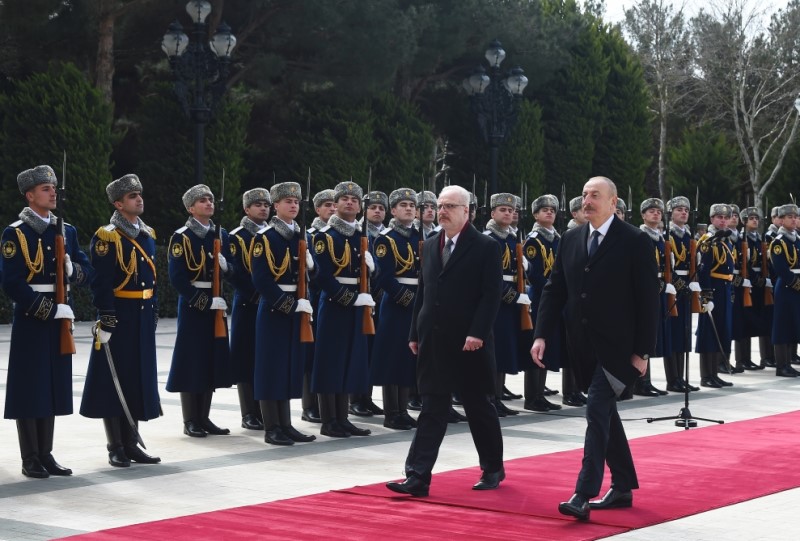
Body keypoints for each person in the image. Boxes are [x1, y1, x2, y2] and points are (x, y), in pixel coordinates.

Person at [530, 176, 659, 521]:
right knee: (605, 414)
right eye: (585, 194)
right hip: (583, 346)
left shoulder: (634, 240)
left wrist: (643, 352)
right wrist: (541, 334)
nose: (587, 201)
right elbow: (555, 289)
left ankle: (583, 493)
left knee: (596, 410)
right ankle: (623, 485)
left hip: (619, 348)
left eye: (595, 195)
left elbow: (648, 300)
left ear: (613, 203)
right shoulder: (571, 239)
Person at [386, 185, 504, 497]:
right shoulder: (430, 245)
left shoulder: (486, 246)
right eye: (440, 205)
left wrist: (478, 332)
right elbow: (424, 292)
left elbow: (491, 295)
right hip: (434, 339)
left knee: (478, 406)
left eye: (450, 206)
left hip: (470, 341)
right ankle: (417, 476)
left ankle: (492, 467)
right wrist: (415, 333)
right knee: (432, 407)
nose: (442, 211)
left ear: (467, 211)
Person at [3, 165, 94, 478]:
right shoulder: (16, 233)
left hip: (61, 316)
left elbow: (86, 270)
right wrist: (47, 309)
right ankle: (30, 457)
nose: (53, 192)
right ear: (30, 196)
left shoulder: (66, 231)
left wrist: (73, 271)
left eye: (54, 187)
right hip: (33, 318)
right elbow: (12, 282)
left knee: (51, 385)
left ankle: (46, 453)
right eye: (45, 188)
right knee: (30, 386)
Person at [80, 174, 161, 468]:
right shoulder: (107, 236)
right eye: (131, 196)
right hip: (120, 315)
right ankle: (115, 445)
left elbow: (152, 280)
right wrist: (107, 314)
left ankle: (131, 443)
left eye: (139, 194)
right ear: (118, 204)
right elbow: (100, 281)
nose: (139, 199)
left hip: (142, 314)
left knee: (136, 378)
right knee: (113, 380)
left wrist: (153, 309)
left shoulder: (147, 234)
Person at [251, 181, 317, 445]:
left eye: (296, 202)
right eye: (288, 201)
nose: (293, 205)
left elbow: (314, 275)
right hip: (275, 310)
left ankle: (286, 424)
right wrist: (288, 305)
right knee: (271, 368)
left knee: (290, 366)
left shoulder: (302, 236)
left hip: (298, 306)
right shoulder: (265, 238)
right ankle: (272, 427)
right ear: (276, 205)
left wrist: (312, 267)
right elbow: (261, 279)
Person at [166, 184, 234, 437]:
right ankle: (190, 420)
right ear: (190, 208)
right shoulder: (182, 237)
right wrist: (203, 302)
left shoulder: (221, 234)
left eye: (210, 199)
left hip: (216, 302)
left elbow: (234, 269)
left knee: (210, 360)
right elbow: (177, 278)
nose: (209, 203)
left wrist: (226, 268)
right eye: (202, 200)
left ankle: (204, 417)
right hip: (194, 305)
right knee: (192, 360)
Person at [310, 181, 375, 438]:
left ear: (360, 207)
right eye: (344, 199)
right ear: (335, 205)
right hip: (335, 305)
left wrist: (374, 269)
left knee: (350, 360)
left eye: (354, 200)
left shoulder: (362, 236)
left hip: (358, 304)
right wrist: (349, 298)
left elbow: (369, 272)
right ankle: (329, 420)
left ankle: (343, 418)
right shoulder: (325, 236)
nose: (350, 202)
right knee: (330, 362)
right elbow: (322, 276)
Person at [370, 188, 421, 430]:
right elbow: (384, 277)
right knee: (392, 358)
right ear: (393, 210)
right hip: (397, 304)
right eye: (403, 205)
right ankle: (392, 412)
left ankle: (403, 410)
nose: (409, 209)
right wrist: (409, 299)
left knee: (408, 358)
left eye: (412, 205)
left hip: (417, 302)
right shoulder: (386, 239)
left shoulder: (419, 237)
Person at [228, 188, 271, 431]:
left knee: (264, 357)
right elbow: (235, 273)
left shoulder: (272, 234)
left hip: (268, 303)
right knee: (245, 357)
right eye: (258, 205)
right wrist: (257, 294)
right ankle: (249, 413)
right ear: (246, 209)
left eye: (266, 205)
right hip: (248, 303)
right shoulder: (238, 237)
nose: (263, 208)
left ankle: (264, 410)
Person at [484, 192, 530, 416]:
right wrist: (512, 296)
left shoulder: (512, 239)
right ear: (493, 213)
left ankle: (498, 397)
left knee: (504, 351)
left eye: (511, 211)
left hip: (510, 302)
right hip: (495, 302)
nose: (508, 213)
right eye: (503, 210)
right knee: (494, 352)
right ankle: (490, 398)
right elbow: (489, 277)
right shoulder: (487, 239)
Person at [522, 194, 562, 412]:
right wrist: (551, 290)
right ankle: (532, 396)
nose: (549, 213)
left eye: (552, 210)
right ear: (535, 215)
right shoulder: (533, 241)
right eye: (544, 210)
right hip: (540, 297)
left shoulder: (557, 239)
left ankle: (540, 393)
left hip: (554, 298)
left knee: (548, 344)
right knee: (537, 343)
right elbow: (534, 274)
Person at [301, 189, 336, 423]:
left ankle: (329, 406)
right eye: (327, 205)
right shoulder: (311, 234)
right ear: (317, 209)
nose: (332, 209)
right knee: (309, 355)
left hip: (328, 301)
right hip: (312, 299)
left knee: (325, 356)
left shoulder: (336, 234)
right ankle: (309, 405)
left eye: (334, 205)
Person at [632, 198, 670, 397]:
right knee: (644, 333)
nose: (656, 214)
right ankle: (640, 382)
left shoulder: (660, 238)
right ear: (643, 215)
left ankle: (647, 381)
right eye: (651, 211)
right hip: (645, 290)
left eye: (658, 212)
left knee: (653, 335)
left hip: (659, 289)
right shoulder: (639, 236)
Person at [695, 204, 736, 388]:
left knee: (720, 331)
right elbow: (703, 271)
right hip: (713, 290)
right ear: (712, 219)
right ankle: (706, 375)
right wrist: (706, 295)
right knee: (709, 334)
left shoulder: (725, 240)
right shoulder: (708, 240)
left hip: (724, 289)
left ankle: (715, 373)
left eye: (726, 218)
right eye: (719, 217)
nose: (723, 220)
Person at [665, 196, 701, 392]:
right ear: (671, 213)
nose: (684, 213)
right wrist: (680, 285)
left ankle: (681, 377)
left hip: (687, 287)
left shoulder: (688, 236)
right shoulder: (668, 234)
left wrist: (694, 283)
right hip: (674, 288)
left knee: (684, 334)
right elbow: (668, 266)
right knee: (674, 334)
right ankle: (673, 379)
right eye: (679, 210)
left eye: (686, 210)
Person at [768, 204, 800, 377]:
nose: (794, 220)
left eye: (796, 217)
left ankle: (789, 362)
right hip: (787, 287)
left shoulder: (797, 239)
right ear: (781, 220)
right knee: (782, 326)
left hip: (796, 288)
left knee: (793, 325)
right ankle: (782, 365)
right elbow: (780, 268)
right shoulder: (779, 242)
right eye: (790, 217)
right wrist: (797, 284)